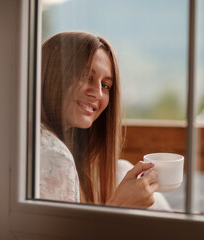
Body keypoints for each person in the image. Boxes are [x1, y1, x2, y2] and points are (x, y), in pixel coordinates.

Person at [39, 31, 171, 210]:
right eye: (85, 76)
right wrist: (120, 206)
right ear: (53, 75)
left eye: (105, 85)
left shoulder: (44, 142)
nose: (98, 93)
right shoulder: (53, 154)